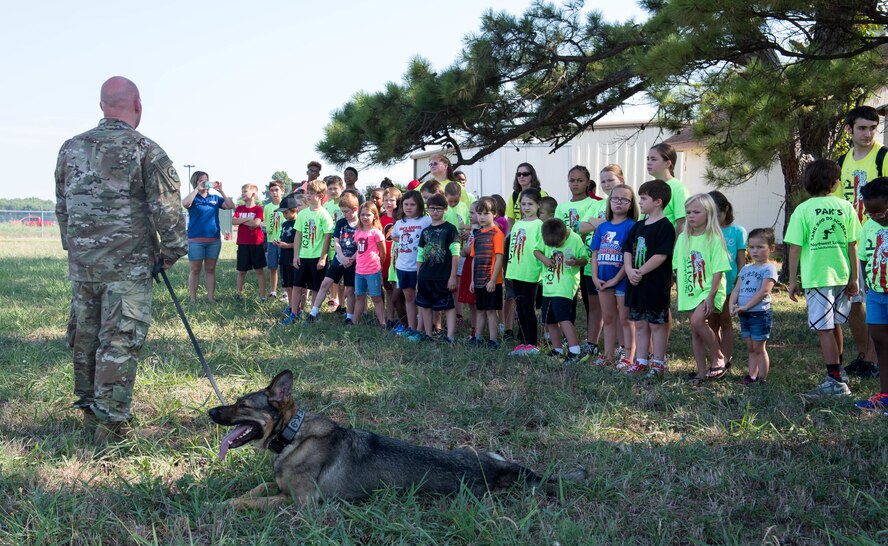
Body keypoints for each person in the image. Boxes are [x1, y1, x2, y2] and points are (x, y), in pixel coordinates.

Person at [55, 76, 188, 442]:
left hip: (84, 267)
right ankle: (108, 425)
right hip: (127, 268)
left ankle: (88, 411)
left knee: (85, 335)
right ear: (138, 105)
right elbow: (167, 210)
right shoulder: (145, 150)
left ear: (102, 107)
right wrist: (172, 252)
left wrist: (76, 247)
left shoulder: (70, 148)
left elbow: (62, 206)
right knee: (118, 339)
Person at [785, 159, 861, 397]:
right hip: (841, 274)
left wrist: (793, 280)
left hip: (817, 278)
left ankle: (835, 382)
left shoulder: (803, 210)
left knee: (824, 328)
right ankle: (840, 373)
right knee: (835, 323)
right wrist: (855, 278)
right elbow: (853, 247)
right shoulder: (846, 207)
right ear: (836, 183)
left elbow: (795, 248)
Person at [836, 106, 886, 378]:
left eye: (872, 127)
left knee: (879, 296)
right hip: (852, 238)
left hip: (879, 237)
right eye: (862, 128)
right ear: (849, 130)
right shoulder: (844, 160)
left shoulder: (883, 156)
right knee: (854, 297)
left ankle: (878, 359)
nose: (868, 133)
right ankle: (866, 356)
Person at [673, 194, 732, 382]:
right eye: (688, 212)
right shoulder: (683, 238)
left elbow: (718, 271)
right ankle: (701, 371)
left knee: (698, 322)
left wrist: (711, 296)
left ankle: (719, 357)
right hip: (690, 291)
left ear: (709, 213)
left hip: (709, 291)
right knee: (696, 331)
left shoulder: (714, 237)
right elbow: (678, 266)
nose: (691, 216)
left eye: (697, 212)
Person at [622, 180, 676, 375]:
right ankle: (641, 360)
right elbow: (627, 250)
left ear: (658, 201)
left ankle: (658, 363)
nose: (640, 202)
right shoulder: (638, 226)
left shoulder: (665, 227)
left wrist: (640, 272)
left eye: (644, 198)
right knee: (640, 324)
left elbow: (661, 255)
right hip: (635, 284)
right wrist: (629, 270)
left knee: (656, 325)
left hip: (654, 285)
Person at [589, 184, 637, 369]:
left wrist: (617, 279)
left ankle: (628, 357)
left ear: (631, 204)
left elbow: (630, 257)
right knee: (608, 318)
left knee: (625, 319)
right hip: (602, 279)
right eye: (615, 198)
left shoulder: (631, 226)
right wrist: (594, 277)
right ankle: (608, 354)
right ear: (609, 202)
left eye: (624, 199)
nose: (619, 202)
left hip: (622, 280)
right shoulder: (603, 227)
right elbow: (594, 253)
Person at [556, 165, 602, 358]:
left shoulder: (593, 204)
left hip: (587, 257)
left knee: (592, 301)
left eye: (579, 180)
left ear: (588, 183)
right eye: (572, 180)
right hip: (568, 259)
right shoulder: (562, 206)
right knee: (568, 298)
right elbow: (556, 231)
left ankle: (593, 341)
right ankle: (568, 335)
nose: (575, 184)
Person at [534, 218, 589, 365]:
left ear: (565, 235)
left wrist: (576, 261)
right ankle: (557, 349)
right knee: (549, 319)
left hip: (565, 286)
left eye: (558, 245)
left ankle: (575, 350)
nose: (555, 247)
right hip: (548, 287)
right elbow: (536, 251)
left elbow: (585, 259)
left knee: (563, 318)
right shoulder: (546, 235)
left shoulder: (575, 239)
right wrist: (545, 259)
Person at [855, 177, 888, 413]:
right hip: (876, 294)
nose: (875, 215)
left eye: (880, 211)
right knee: (881, 345)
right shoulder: (868, 226)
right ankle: (885, 396)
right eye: (870, 211)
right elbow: (865, 259)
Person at [729, 228, 778, 385]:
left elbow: (764, 291)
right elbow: (737, 289)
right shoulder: (746, 269)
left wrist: (746, 306)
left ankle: (762, 379)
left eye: (760, 247)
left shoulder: (769, 268)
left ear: (771, 248)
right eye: (751, 247)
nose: (755, 251)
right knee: (750, 347)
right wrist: (732, 304)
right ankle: (752, 376)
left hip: (759, 314)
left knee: (759, 347)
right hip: (745, 314)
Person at [305, 193, 359, 324]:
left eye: (346, 211)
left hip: (354, 261)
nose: (344, 214)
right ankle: (313, 313)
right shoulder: (341, 222)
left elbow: (363, 244)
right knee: (325, 283)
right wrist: (341, 256)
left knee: (350, 289)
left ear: (355, 209)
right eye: (342, 211)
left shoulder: (360, 224)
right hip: (339, 259)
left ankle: (350, 316)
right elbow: (336, 242)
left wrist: (351, 258)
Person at [182, 170, 235, 303]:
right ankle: (193, 299)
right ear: (196, 182)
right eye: (202, 181)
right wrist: (196, 190)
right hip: (195, 241)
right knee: (195, 270)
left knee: (210, 269)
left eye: (206, 180)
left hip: (214, 240)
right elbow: (185, 204)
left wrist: (221, 191)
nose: (205, 183)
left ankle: (211, 297)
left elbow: (230, 206)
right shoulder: (193, 198)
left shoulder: (215, 198)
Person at [707, 191, 747, 366]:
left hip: (730, 284)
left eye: (718, 214)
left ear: (726, 209)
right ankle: (716, 356)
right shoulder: (706, 231)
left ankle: (727, 356)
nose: (714, 219)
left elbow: (741, 259)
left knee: (725, 320)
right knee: (712, 321)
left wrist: (741, 281)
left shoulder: (737, 231)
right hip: (710, 284)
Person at [416, 193, 461, 342]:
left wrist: (453, 276)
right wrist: (418, 278)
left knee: (448, 306)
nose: (435, 212)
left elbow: (456, 254)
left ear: (446, 209)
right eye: (432, 208)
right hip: (425, 277)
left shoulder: (450, 229)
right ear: (427, 209)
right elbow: (420, 256)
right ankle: (429, 335)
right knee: (426, 306)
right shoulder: (425, 231)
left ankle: (450, 337)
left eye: (439, 209)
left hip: (444, 276)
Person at [291, 180, 335, 323]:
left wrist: (323, 257)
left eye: (312, 193)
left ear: (321, 195)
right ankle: (293, 313)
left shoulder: (324, 215)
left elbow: (327, 237)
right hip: (302, 256)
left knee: (316, 287)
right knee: (297, 286)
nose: (308, 196)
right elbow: (298, 235)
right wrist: (295, 255)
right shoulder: (302, 214)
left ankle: (313, 314)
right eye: (308, 193)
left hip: (317, 258)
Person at [506, 189, 544, 356]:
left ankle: (532, 344)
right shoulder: (517, 224)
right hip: (516, 271)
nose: (526, 207)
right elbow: (513, 249)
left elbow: (541, 249)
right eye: (523, 204)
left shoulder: (539, 225)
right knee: (519, 307)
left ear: (538, 205)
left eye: (530, 204)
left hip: (531, 272)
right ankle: (523, 342)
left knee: (528, 308)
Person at [391, 190, 431, 336]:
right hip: (402, 266)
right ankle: (411, 328)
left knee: (420, 298)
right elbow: (394, 236)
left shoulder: (426, 221)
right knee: (408, 297)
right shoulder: (400, 223)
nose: (408, 207)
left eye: (412, 204)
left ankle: (420, 330)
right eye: (406, 204)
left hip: (419, 267)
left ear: (419, 205)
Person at [470, 197, 506, 349]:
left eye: (486, 213)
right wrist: (472, 280)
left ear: (495, 214)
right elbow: (474, 259)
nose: (482, 217)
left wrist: (492, 280)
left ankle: (493, 340)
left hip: (492, 281)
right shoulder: (477, 234)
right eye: (479, 213)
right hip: (478, 280)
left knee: (491, 311)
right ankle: (477, 337)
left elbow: (499, 258)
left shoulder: (497, 233)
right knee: (480, 310)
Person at [352, 203, 386, 327]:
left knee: (376, 297)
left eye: (368, 214)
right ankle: (354, 321)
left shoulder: (376, 232)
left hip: (373, 270)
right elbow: (360, 250)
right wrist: (352, 259)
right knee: (359, 296)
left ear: (374, 216)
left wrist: (378, 265)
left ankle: (382, 323)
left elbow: (383, 252)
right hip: (359, 271)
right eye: (362, 214)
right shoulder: (358, 232)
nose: (365, 217)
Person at [233, 184, 268, 301]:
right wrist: (248, 219)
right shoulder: (239, 208)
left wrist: (241, 221)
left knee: (259, 270)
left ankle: (263, 296)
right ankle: (238, 295)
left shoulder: (258, 209)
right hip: (243, 244)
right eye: (242, 191)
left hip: (256, 244)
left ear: (253, 194)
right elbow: (234, 221)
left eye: (245, 191)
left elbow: (256, 224)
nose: (242, 193)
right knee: (241, 271)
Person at [647, 143, 689, 232]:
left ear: (668, 163)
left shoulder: (678, 188)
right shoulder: (648, 187)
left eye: (653, 159)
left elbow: (682, 223)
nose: (649, 162)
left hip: (665, 243)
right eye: (648, 159)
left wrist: (675, 246)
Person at [273, 196, 300, 324]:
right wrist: (278, 243)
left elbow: (299, 244)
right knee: (287, 286)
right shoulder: (284, 224)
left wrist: (287, 245)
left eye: (286, 212)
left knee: (295, 286)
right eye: (282, 213)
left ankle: (297, 308)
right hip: (283, 258)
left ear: (295, 210)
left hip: (293, 259)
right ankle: (290, 306)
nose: (284, 215)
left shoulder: (298, 223)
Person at [458, 201, 481, 342]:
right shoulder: (473, 228)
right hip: (469, 264)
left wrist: (466, 250)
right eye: (470, 213)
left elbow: (470, 249)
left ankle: (479, 331)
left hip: (477, 265)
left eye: (473, 213)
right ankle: (473, 329)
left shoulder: (483, 231)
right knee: (471, 302)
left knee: (478, 302)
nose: (470, 216)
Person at [507, 163, 548, 229]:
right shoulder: (514, 195)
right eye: (518, 174)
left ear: (532, 176)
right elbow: (510, 220)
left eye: (525, 174)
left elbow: (547, 216)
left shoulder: (541, 194)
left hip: (536, 230)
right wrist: (508, 237)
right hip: (518, 232)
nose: (521, 176)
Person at [264, 180, 285, 300]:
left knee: (284, 268)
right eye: (272, 190)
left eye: (276, 190)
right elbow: (266, 223)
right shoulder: (267, 207)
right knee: (272, 267)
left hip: (283, 242)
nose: (274, 192)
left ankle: (286, 291)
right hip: (271, 241)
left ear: (282, 191)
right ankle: (273, 291)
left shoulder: (286, 205)